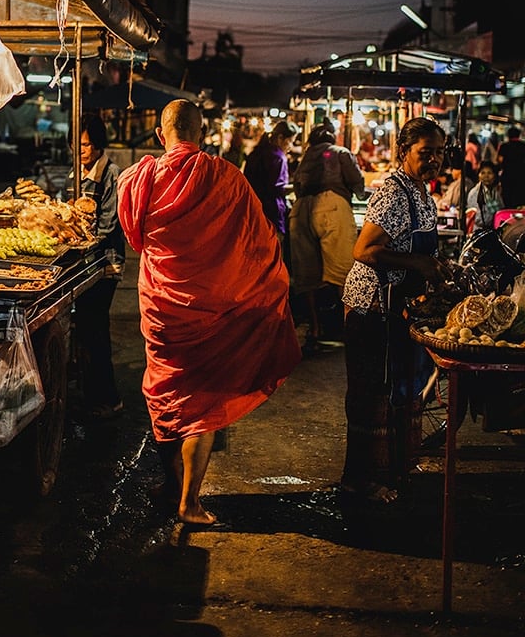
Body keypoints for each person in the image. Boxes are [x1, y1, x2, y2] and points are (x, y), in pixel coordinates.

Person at [117, 99, 300, 526]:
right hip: (212, 309)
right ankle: (189, 501)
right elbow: (259, 238)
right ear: (201, 133)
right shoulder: (225, 177)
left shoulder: (138, 179)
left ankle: (172, 483)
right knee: (202, 399)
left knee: (164, 392)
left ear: (161, 135)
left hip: (162, 305)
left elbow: (135, 238)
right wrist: (265, 281)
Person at [341, 117, 454, 506]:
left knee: (398, 390)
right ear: (404, 152)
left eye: (440, 152)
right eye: (426, 153)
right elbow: (364, 251)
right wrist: (418, 264)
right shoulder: (393, 192)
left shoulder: (422, 192)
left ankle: (394, 466)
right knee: (371, 393)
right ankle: (360, 480)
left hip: (398, 306)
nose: (435, 159)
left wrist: (436, 267)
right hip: (372, 304)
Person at [289, 121, 366, 354]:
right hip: (332, 207)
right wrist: (359, 193)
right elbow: (358, 184)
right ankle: (348, 329)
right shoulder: (341, 152)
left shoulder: (306, 156)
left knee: (308, 277)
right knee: (344, 273)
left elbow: (297, 187)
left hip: (301, 210)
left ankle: (315, 330)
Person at [70, 113, 126, 420]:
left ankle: (108, 398)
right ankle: (91, 395)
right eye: (77, 145)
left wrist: (79, 237)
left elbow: (107, 225)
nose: (82, 151)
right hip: (85, 265)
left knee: (95, 329)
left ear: (98, 144)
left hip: (104, 265)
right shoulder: (78, 172)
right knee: (86, 330)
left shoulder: (111, 174)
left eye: (87, 145)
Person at [242, 119, 299, 240]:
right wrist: (297, 187)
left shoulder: (255, 153)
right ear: (280, 138)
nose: (290, 147)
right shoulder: (278, 157)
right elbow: (278, 188)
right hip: (272, 214)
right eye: (290, 141)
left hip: (252, 213)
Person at [465, 161, 504, 232]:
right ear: (478, 175)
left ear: (494, 176)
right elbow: (477, 219)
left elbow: (501, 210)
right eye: (483, 173)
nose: (486, 176)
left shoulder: (495, 192)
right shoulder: (475, 193)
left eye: (489, 173)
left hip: (493, 230)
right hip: (479, 232)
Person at [496, 125, 525, 208]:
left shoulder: (504, 146)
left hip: (507, 176)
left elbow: (499, 160)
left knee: (507, 199)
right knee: (520, 199)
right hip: (521, 176)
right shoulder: (523, 146)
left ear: (508, 135)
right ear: (519, 135)